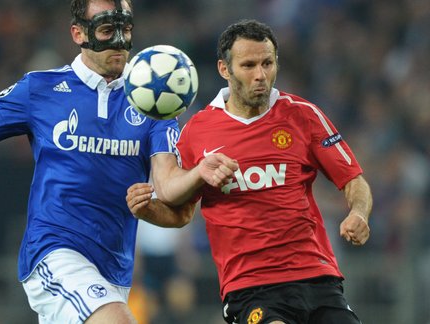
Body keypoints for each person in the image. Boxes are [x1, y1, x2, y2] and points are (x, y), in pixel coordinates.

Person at [0, 1, 236, 323]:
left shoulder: (152, 103)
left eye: (125, 30)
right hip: (54, 252)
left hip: (113, 268)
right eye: (107, 30)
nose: (119, 41)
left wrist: (197, 175)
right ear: (78, 33)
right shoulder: (40, 90)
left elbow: (168, 187)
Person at [126, 19, 373, 324]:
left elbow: (353, 180)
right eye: (249, 65)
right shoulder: (197, 132)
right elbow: (182, 214)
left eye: (268, 63)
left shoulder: (302, 115)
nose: (260, 75)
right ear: (224, 69)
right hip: (250, 286)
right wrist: (148, 210)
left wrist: (359, 213)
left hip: (317, 276)